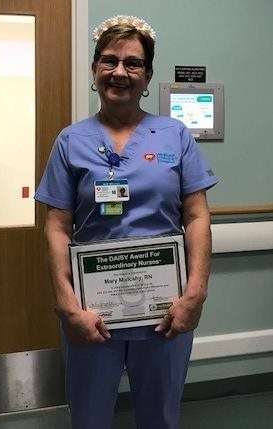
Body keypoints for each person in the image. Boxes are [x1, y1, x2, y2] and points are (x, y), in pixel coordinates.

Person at [35, 15, 219, 429]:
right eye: (109, 60)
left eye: (133, 63)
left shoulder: (175, 136)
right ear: (96, 70)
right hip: (91, 312)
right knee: (89, 417)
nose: (120, 72)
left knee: (160, 416)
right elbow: (57, 226)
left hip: (166, 313)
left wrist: (195, 295)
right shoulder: (70, 141)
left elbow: (197, 215)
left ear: (148, 74)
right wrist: (67, 305)